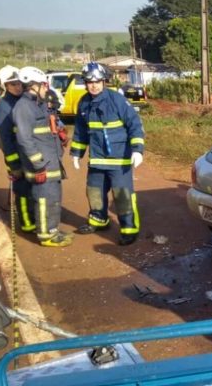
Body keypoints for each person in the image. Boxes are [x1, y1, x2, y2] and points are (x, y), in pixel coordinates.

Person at [70, 62, 145, 246]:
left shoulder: (116, 100)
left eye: (97, 81)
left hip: (119, 160)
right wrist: (76, 153)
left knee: (122, 195)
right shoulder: (84, 103)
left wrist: (137, 150)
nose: (93, 85)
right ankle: (98, 220)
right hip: (96, 160)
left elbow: (134, 125)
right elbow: (80, 130)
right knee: (94, 192)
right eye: (89, 82)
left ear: (104, 81)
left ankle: (129, 228)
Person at [12, 66, 73, 247]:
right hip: (42, 165)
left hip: (51, 161)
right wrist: (38, 163)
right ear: (33, 85)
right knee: (45, 200)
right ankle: (46, 235)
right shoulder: (23, 107)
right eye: (44, 85)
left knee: (53, 198)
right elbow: (24, 139)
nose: (46, 88)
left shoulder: (36, 104)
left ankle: (52, 229)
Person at [0, 65, 35, 234]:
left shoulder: (24, 100)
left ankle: (34, 216)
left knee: (33, 188)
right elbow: (5, 139)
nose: (17, 87)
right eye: (12, 84)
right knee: (23, 190)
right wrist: (14, 164)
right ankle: (26, 222)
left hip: (29, 154)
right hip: (17, 156)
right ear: (5, 86)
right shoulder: (3, 107)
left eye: (19, 83)